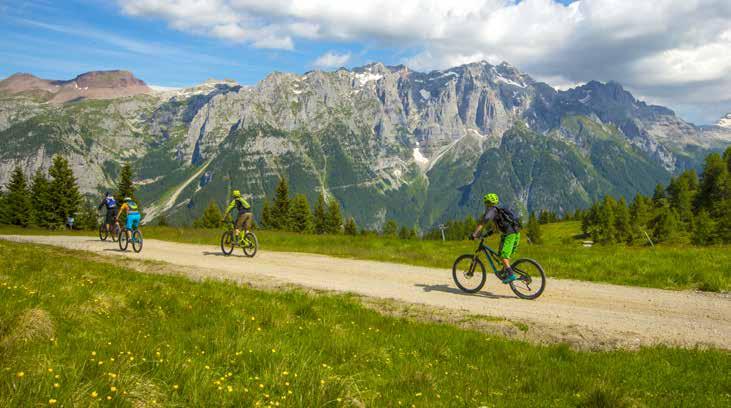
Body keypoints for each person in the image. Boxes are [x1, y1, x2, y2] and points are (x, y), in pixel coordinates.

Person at [471, 193, 520, 283]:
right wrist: (486, 235)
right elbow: (495, 229)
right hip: (515, 233)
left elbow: (483, 222)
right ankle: (504, 271)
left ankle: (511, 275)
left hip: (510, 234)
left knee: (503, 256)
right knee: (502, 253)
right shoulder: (498, 211)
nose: (485, 205)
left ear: (487, 203)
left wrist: (474, 234)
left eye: (485, 203)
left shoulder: (491, 211)